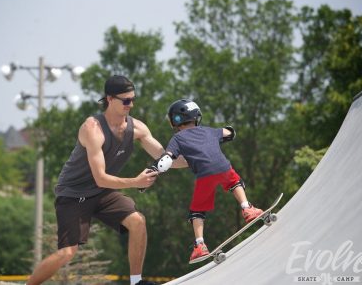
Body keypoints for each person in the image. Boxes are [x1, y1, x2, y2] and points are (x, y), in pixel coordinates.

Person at [26, 75, 181, 285]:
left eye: (133, 99)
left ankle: (136, 282)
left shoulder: (138, 129)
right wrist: (135, 182)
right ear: (110, 99)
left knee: (137, 221)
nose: (131, 104)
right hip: (74, 194)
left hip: (102, 193)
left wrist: (203, 158)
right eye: (126, 100)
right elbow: (100, 178)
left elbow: (165, 156)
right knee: (67, 253)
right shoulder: (93, 129)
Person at [161, 98, 264, 262]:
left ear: (175, 121)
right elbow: (228, 132)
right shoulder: (209, 131)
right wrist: (230, 132)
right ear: (196, 116)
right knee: (234, 182)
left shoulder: (177, 139)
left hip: (204, 174)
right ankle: (247, 208)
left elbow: (168, 157)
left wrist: (159, 166)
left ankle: (200, 244)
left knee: (198, 210)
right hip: (223, 167)